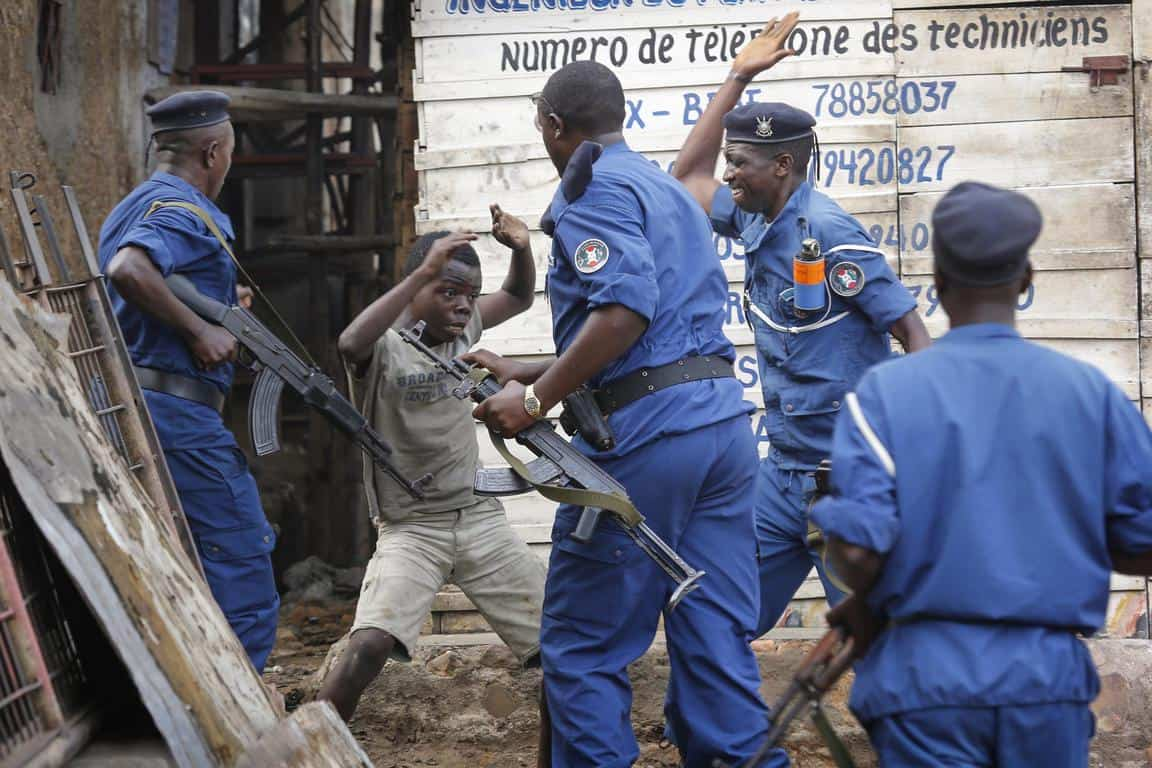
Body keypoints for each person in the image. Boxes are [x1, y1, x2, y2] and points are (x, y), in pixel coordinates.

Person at [467, 60, 780, 768]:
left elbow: (626, 312)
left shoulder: (592, 191)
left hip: (648, 446)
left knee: (581, 644)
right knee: (713, 629)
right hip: (720, 439)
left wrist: (538, 400)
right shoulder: (666, 192)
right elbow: (651, 323)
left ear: (553, 125)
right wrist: (526, 371)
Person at [811, 181, 1152, 767]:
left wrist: (875, 598)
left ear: (938, 282)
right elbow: (1141, 543)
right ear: (1026, 279)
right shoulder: (1090, 397)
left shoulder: (885, 395)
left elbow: (859, 553)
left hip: (924, 678)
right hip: (1045, 681)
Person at [672, 13, 931, 637]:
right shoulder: (754, 213)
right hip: (782, 476)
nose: (730, 174)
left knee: (877, 640)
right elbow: (686, 181)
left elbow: (913, 335)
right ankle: (703, 734)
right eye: (730, 162)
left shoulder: (831, 233)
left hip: (849, 482)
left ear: (782, 165)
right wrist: (737, 77)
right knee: (722, 617)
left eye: (741, 163)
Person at [316, 210, 546, 722]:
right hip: (412, 528)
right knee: (370, 645)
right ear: (417, 286)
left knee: (560, 650)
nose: (463, 305)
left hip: (479, 519)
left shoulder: (466, 329)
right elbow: (348, 343)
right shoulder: (383, 349)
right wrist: (423, 273)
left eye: (470, 294)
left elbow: (519, 296)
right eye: (448, 291)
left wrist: (522, 249)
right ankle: (313, 751)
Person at [98, 91, 279, 671]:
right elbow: (129, 269)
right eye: (227, 153)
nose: (227, 164)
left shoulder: (132, 205)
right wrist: (200, 333)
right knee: (242, 562)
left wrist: (220, 312)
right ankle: (242, 720)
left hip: (136, 406)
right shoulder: (184, 209)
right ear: (211, 151)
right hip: (178, 419)